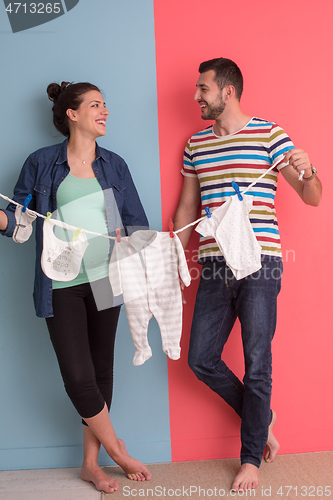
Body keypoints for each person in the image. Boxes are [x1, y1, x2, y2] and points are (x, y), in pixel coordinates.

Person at [173, 58, 322, 492]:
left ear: (228, 91)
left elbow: (311, 197)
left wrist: (309, 168)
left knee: (258, 362)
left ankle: (251, 459)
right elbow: (187, 207)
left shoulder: (269, 135)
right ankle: (262, 416)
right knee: (201, 358)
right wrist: (177, 254)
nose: (197, 96)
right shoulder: (196, 144)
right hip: (215, 262)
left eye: (203, 89)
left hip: (261, 262)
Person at [0, 81, 152, 493]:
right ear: (72, 114)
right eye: (96, 105)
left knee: (103, 371)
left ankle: (91, 464)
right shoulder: (42, 163)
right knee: (78, 376)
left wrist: (135, 239)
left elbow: (137, 223)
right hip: (62, 282)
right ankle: (117, 450)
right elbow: (19, 223)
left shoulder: (114, 165)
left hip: (108, 278)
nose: (105, 112)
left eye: (106, 105)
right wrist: (1, 218)